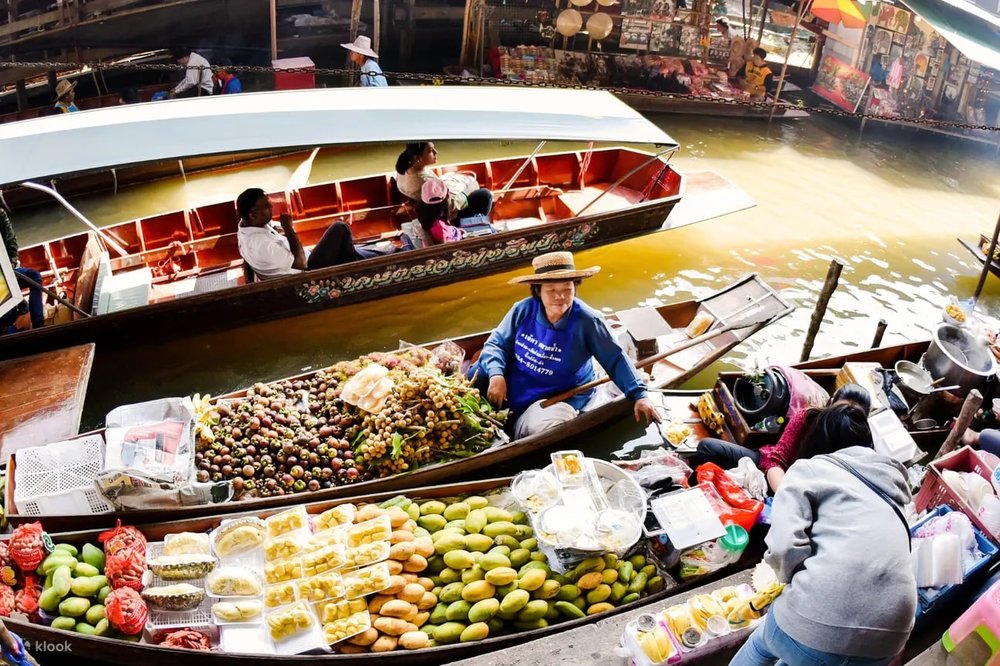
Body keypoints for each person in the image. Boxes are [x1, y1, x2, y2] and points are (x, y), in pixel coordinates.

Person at [730, 402, 916, 666]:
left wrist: (786, 581)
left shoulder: (811, 469)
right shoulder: (891, 491)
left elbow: (784, 547)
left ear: (818, 439)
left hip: (816, 623)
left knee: (763, 647)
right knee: (807, 652)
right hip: (888, 643)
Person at [468, 251, 661, 438]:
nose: (560, 296)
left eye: (567, 289)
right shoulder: (523, 310)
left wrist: (640, 395)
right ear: (538, 291)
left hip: (559, 392)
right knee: (479, 373)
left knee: (546, 424)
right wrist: (496, 375)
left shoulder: (588, 321)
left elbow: (615, 358)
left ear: (575, 289)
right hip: (518, 380)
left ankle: (515, 433)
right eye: (551, 290)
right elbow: (496, 344)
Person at [689, 383, 871, 492]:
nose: (841, 418)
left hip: (800, 491)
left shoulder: (857, 445)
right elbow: (776, 459)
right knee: (707, 448)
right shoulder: (808, 417)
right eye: (838, 411)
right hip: (777, 475)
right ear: (830, 403)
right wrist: (783, 493)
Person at [236, 188, 384, 280]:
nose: (272, 207)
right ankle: (354, 268)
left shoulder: (247, 224)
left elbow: (276, 233)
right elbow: (301, 264)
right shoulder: (260, 244)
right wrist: (288, 228)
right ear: (253, 214)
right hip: (308, 273)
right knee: (340, 228)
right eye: (267, 206)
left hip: (306, 257)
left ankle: (371, 256)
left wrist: (283, 230)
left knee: (364, 252)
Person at [394, 142, 493, 223]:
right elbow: (449, 207)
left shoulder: (404, 170)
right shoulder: (425, 181)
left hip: (427, 211)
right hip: (442, 217)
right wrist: (469, 189)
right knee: (485, 195)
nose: (436, 152)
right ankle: (470, 227)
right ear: (417, 158)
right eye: (430, 151)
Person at [0, 209, 44, 330]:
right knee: (9, 313)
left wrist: (10, 268)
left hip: (7, 270)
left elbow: (11, 243)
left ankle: (38, 324)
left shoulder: (1, 215)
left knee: (34, 277)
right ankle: (9, 332)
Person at [418, 179, 464, 244]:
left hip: (454, 233)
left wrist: (457, 231)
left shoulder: (428, 217)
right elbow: (444, 249)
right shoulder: (439, 226)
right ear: (448, 196)